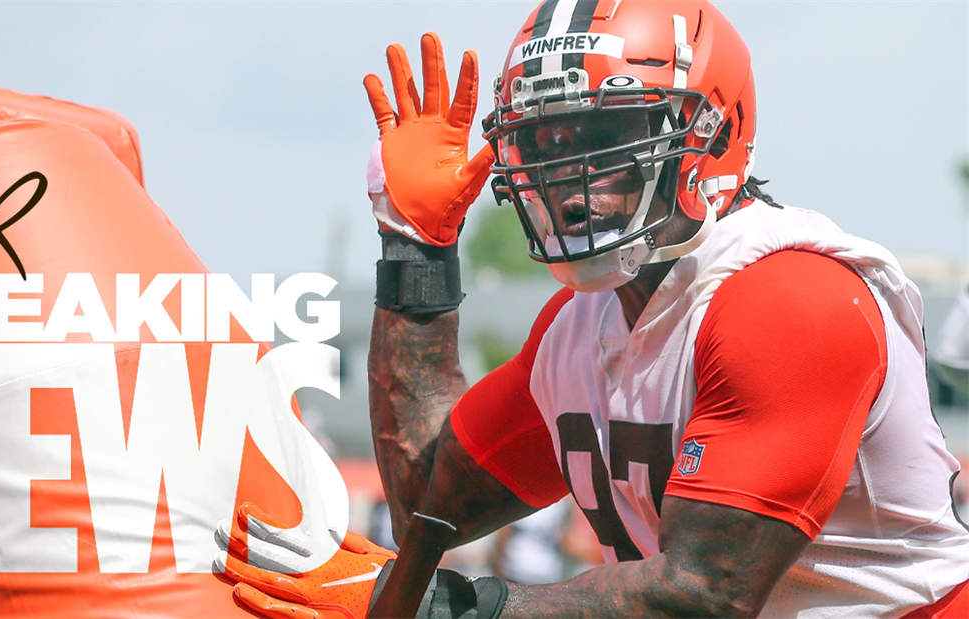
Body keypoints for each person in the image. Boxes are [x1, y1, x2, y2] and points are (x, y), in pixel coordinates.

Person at [217, 1, 969, 618]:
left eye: (605, 140)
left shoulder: (788, 297)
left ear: (707, 134)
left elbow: (705, 593)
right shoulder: (581, 327)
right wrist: (415, 247)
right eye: (544, 144)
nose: (571, 188)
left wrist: (445, 608)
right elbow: (429, 497)